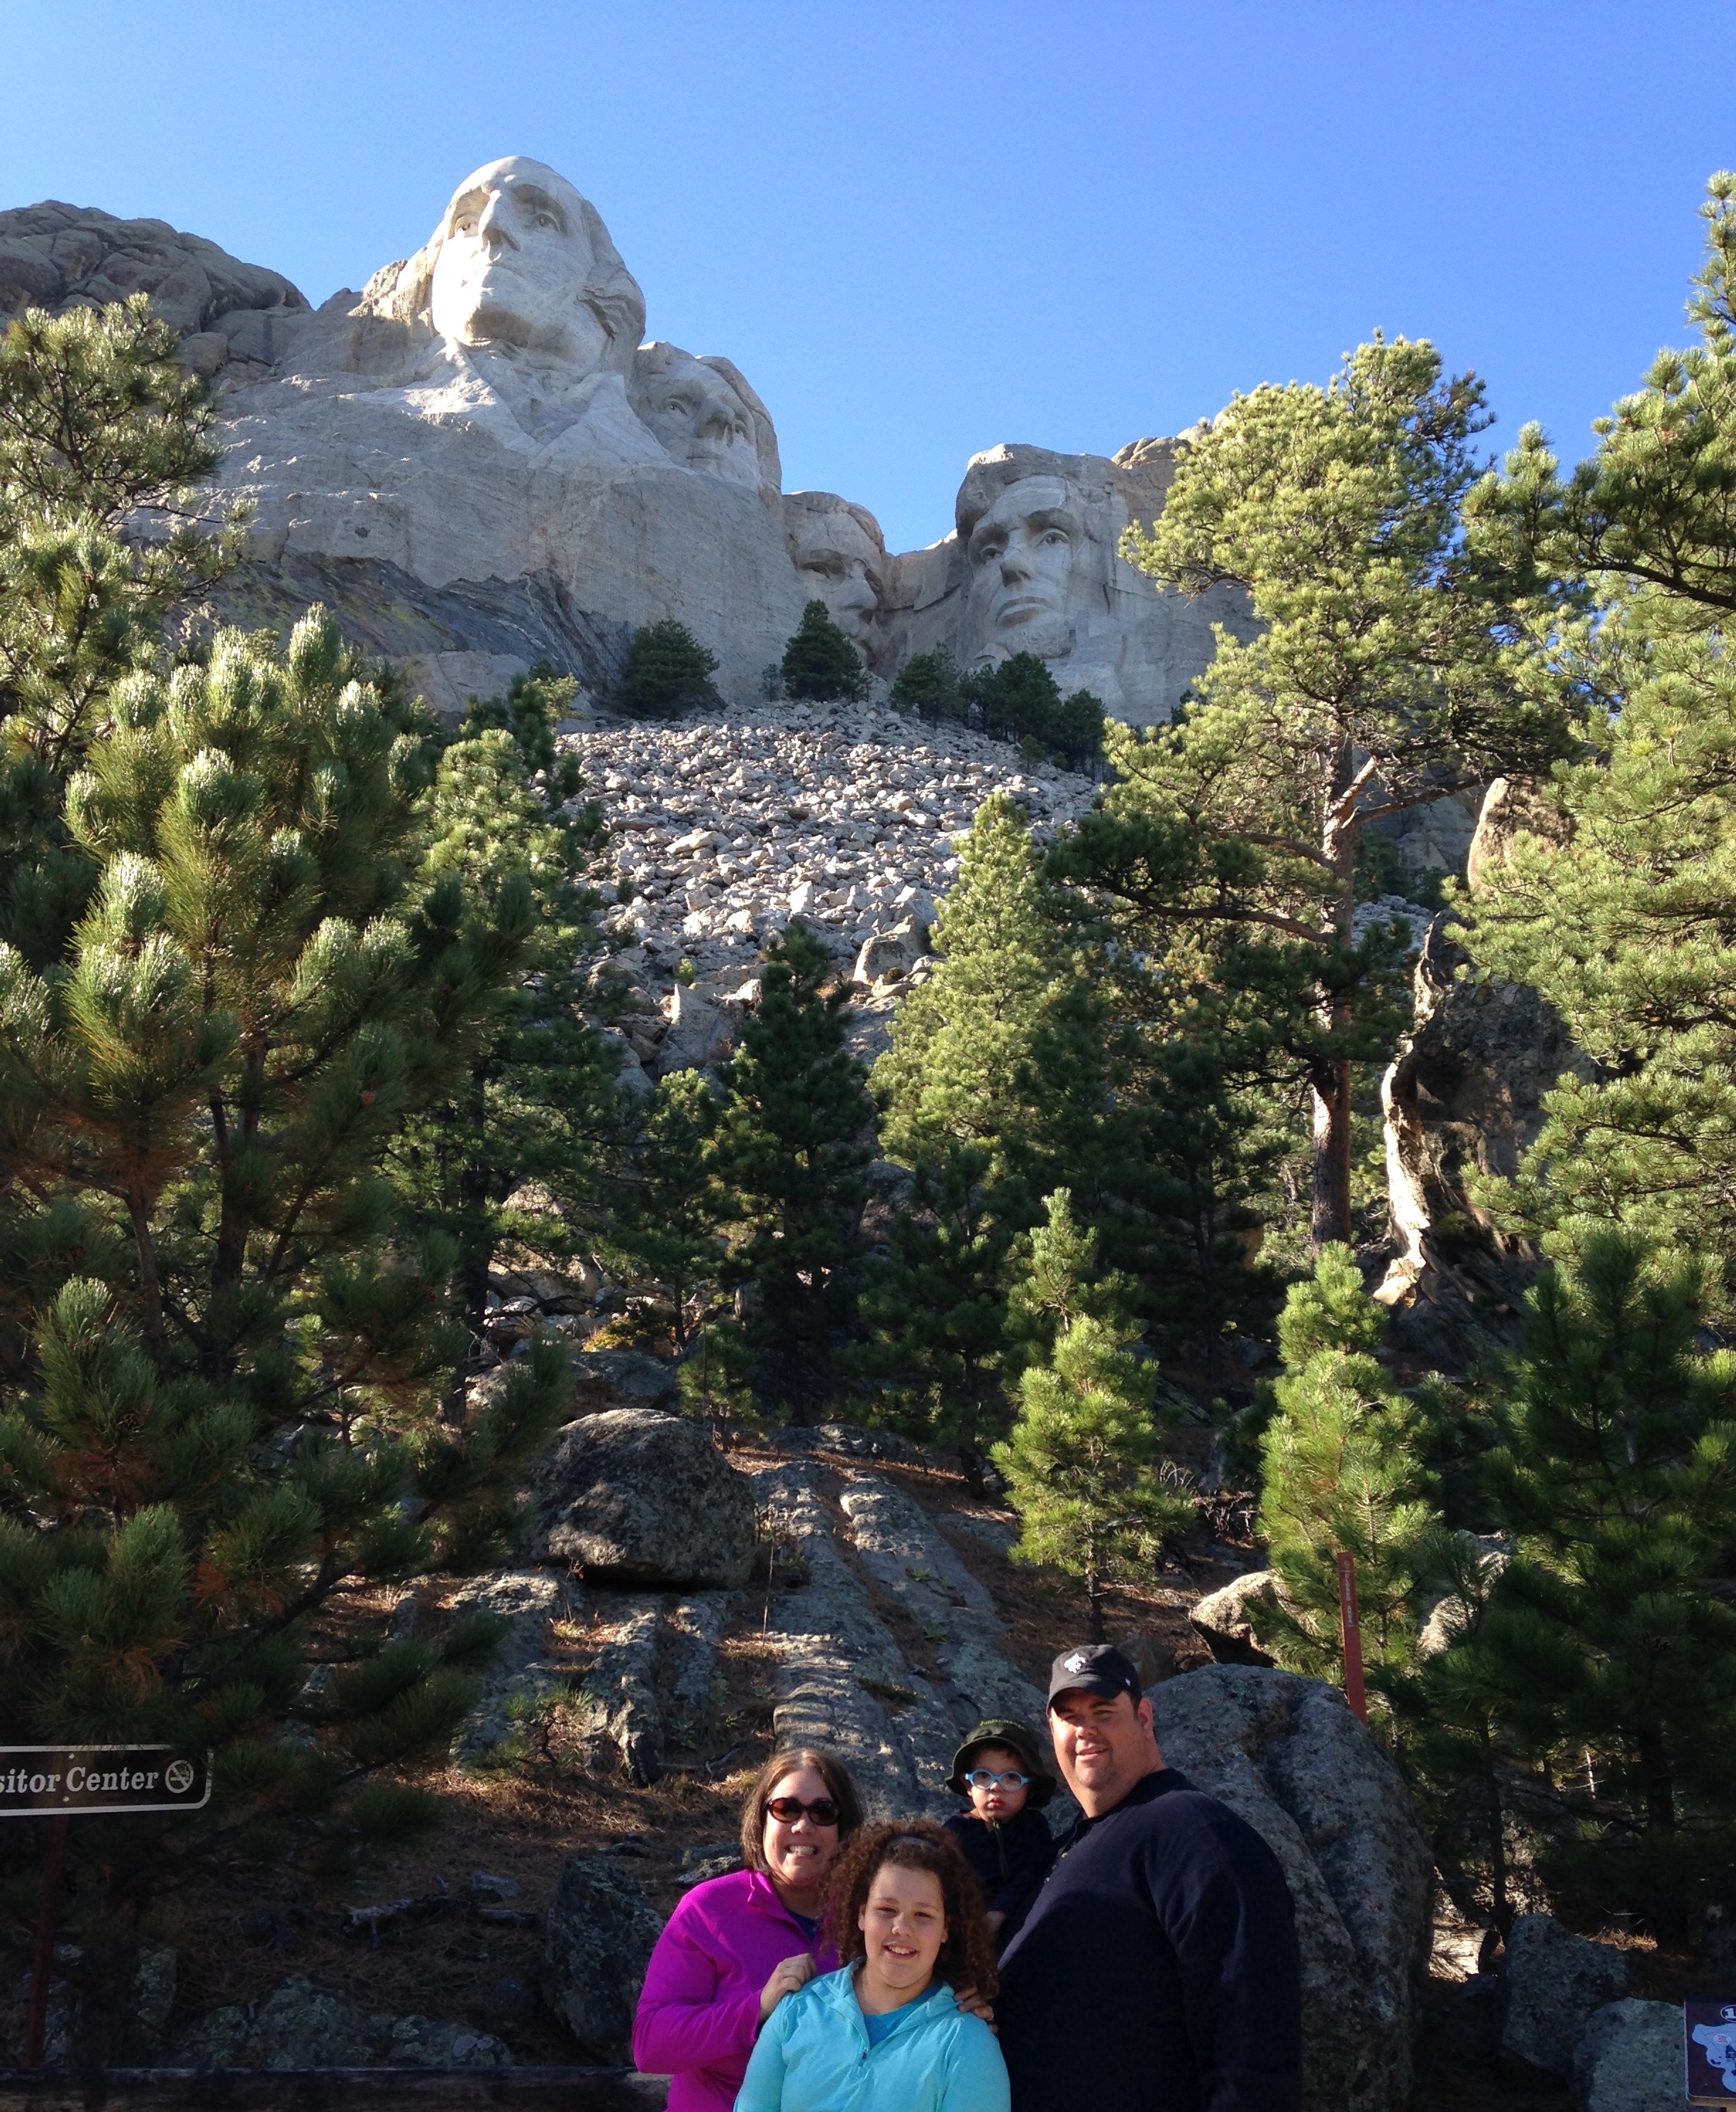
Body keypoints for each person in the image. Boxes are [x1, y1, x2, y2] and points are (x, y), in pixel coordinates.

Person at [994, 1644, 1303, 2112]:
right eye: (1069, 1717)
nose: (1085, 1730)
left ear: (1143, 1718)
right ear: (1051, 1732)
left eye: (1103, 1711)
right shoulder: (1062, 1850)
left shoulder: (1198, 1836)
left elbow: (1255, 2045)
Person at [631, 1747, 862, 2111]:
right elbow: (651, 2045)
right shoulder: (708, 1910)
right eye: (786, 1809)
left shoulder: (872, 1917)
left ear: (844, 1828)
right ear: (761, 1821)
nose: (803, 1826)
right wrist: (757, 2008)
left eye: (823, 1812)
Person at [735, 1820, 1010, 2112]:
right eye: (887, 1910)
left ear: (946, 1929)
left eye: (923, 1915)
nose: (902, 1928)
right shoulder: (797, 2011)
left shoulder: (968, 2043)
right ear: (862, 1915)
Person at [941, 1717, 1057, 1943]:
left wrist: (999, 1912)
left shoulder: (1034, 1828)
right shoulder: (952, 1836)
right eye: (983, 1776)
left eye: (1011, 1778)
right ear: (968, 1785)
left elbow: (1033, 1874)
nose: (996, 1787)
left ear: (1029, 1788)